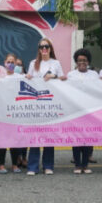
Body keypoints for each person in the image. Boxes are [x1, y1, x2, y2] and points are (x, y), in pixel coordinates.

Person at [25, 38, 65, 175]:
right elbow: (28, 78)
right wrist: (28, 77)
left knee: (49, 135)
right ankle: (32, 166)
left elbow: (63, 79)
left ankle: (48, 165)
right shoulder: (33, 63)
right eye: (41, 47)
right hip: (36, 103)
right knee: (35, 135)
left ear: (50, 48)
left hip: (50, 103)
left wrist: (53, 76)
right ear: (38, 49)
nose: (44, 49)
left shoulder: (56, 63)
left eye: (46, 46)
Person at [65, 48, 99, 174]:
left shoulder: (94, 75)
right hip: (75, 110)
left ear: (88, 61)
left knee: (87, 139)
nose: (82, 62)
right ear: (76, 61)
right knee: (76, 139)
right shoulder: (70, 75)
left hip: (89, 111)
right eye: (79, 60)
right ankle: (77, 165)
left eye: (84, 60)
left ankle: (85, 165)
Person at [0, 53, 25, 172]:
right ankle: (1, 165)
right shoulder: (0, 76)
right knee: (3, 139)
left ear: (16, 64)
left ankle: (15, 164)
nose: (10, 64)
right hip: (2, 111)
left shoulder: (19, 77)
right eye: (8, 62)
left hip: (15, 112)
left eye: (12, 62)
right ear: (4, 62)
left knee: (14, 139)